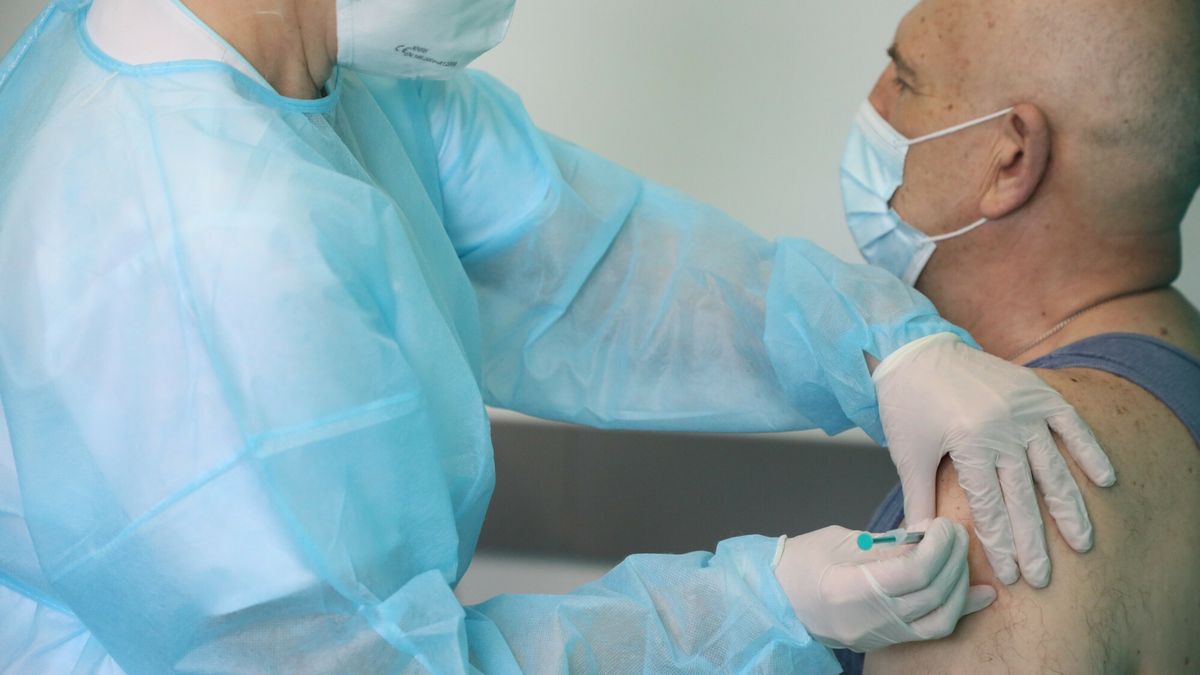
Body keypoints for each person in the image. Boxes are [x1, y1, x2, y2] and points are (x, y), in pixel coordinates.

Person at [0, 0, 1115, 672]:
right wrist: (759, 607)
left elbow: (596, 271)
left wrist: (888, 348)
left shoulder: (334, 75)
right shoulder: (204, 239)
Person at [828, 0, 1200, 672]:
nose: (873, 106)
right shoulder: (1180, 367)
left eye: (905, 81)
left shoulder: (1002, 480)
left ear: (1011, 158)